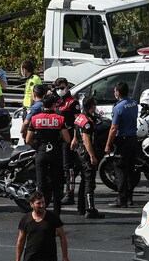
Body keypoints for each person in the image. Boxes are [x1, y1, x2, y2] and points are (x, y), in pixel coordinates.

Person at [26, 94, 71, 216]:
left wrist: (36, 146)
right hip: (55, 153)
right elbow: (67, 139)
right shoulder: (59, 119)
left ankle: (40, 214)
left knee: (41, 186)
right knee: (56, 186)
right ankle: (56, 214)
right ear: (53, 105)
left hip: (41, 152)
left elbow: (28, 139)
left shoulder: (35, 119)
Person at [13, 191, 71, 261]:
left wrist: (65, 257)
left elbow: (62, 237)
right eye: (38, 203)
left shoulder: (53, 217)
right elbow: (20, 241)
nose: (42, 205)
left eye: (43, 202)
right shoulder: (26, 219)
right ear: (31, 204)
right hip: (30, 260)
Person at [105, 81, 139, 208]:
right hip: (133, 139)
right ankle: (129, 197)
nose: (114, 92)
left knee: (120, 170)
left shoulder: (118, 108)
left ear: (118, 93)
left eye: (115, 91)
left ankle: (122, 199)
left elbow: (114, 128)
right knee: (130, 170)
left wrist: (108, 145)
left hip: (123, 141)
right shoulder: (133, 103)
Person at [73, 96, 104, 218]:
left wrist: (75, 139)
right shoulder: (88, 122)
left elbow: (76, 129)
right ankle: (90, 210)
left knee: (84, 181)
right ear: (92, 107)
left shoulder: (80, 117)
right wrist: (92, 156)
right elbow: (86, 140)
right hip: (86, 153)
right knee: (89, 182)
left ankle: (81, 207)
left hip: (79, 152)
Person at [52, 77, 80, 206]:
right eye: (58, 88)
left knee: (68, 167)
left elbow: (77, 122)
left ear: (67, 87)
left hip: (68, 139)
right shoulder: (57, 101)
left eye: (62, 88)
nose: (60, 90)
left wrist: (75, 138)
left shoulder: (72, 102)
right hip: (58, 138)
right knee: (59, 166)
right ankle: (60, 192)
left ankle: (70, 194)